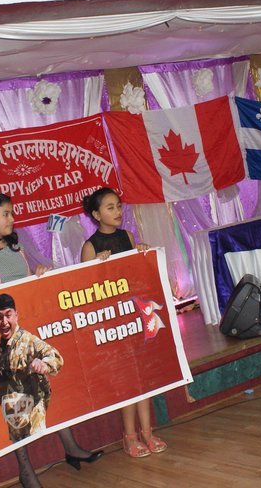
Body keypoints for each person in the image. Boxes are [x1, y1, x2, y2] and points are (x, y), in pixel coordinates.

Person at [0, 193, 101, 488]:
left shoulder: (17, 248)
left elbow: (24, 289)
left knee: (47, 387)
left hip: (27, 335)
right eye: (6, 214)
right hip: (1, 343)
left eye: (12, 213)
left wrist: (37, 276)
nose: (12, 219)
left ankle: (71, 447)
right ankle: (25, 471)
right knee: (15, 404)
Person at [80, 187, 167, 457]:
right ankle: (129, 437)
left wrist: (141, 253)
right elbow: (85, 292)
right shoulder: (90, 246)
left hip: (135, 315)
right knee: (128, 380)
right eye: (110, 208)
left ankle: (148, 432)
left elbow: (136, 276)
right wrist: (96, 266)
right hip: (112, 323)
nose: (117, 211)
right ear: (96, 215)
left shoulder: (127, 236)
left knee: (142, 377)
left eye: (118, 206)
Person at [0, 293, 63, 442]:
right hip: (14, 407)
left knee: (38, 441)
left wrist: (44, 364)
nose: (4, 322)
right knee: (18, 444)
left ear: (16, 315)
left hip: (33, 406)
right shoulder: (4, 343)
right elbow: (0, 362)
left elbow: (55, 356)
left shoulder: (28, 340)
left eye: (8, 315)